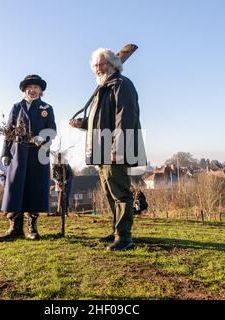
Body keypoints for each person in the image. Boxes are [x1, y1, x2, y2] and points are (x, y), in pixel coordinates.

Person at [69, 48, 146, 251]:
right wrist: (82, 123)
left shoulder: (122, 85)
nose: (98, 68)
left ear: (113, 64)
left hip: (114, 149)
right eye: (95, 65)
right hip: (100, 148)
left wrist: (117, 148)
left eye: (102, 64)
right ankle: (116, 231)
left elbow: (125, 118)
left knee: (121, 192)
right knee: (110, 192)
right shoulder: (103, 88)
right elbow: (100, 120)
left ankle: (124, 237)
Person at [0, 74, 56, 242]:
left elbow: (52, 130)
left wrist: (42, 138)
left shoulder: (47, 108)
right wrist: (5, 153)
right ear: (24, 90)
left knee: (34, 188)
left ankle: (32, 228)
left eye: (36, 88)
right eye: (30, 88)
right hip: (19, 154)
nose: (33, 90)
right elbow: (9, 131)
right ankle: (15, 229)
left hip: (38, 155)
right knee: (15, 188)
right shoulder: (17, 107)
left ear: (40, 91)